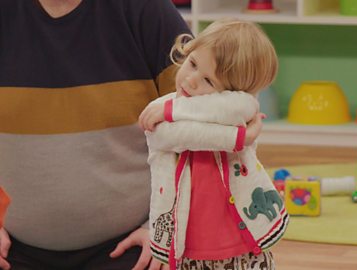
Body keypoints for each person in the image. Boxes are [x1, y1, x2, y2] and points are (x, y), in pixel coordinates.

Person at [0, 0, 207, 269]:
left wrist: (160, 227)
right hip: (12, 249)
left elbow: (206, 116)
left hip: (131, 245)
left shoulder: (146, 10)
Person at [138, 19, 289, 269]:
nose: (192, 80)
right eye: (193, 63)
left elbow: (242, 106)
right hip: (189, 243)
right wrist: (238, 138)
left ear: (231, 93)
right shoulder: (161, 110)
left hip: (240, 240)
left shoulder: (235, 110)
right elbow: (171, 135)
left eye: (209, 81)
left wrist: (176, 111)